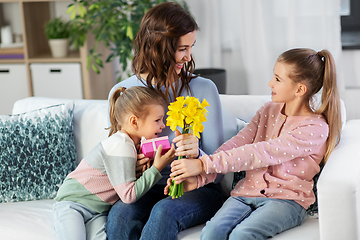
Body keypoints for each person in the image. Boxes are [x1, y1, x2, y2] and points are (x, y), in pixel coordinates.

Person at [168, 48, 342, 239]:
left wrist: (202, 164)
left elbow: (262, 152)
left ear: (300, 89)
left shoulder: (315, 128)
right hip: (245, 193)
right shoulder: (268, 110)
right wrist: (199, 177)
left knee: (242, 235)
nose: (270, 83)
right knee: (211, 233)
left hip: (287, 201)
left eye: (277, 79)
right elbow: (236, 144)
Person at [106, 2, 224, 240]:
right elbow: (114, 158)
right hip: (147, 186)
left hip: (198, 188)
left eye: (191, 47)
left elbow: (220, 168)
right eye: (182, 49)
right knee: (120, 215)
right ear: (158, 47)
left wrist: (198, 155)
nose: (189, 57)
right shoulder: (123, 91)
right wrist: (133, 165)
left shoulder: (203, 89)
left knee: (163, 212)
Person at [53, 86, 176, 240]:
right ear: (134, 121)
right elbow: (128, 196)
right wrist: (157, 168)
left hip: (97, 211)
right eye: (157, 120)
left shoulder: (131, 146)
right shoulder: (121, 145)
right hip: (73, 204)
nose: (163, 125)